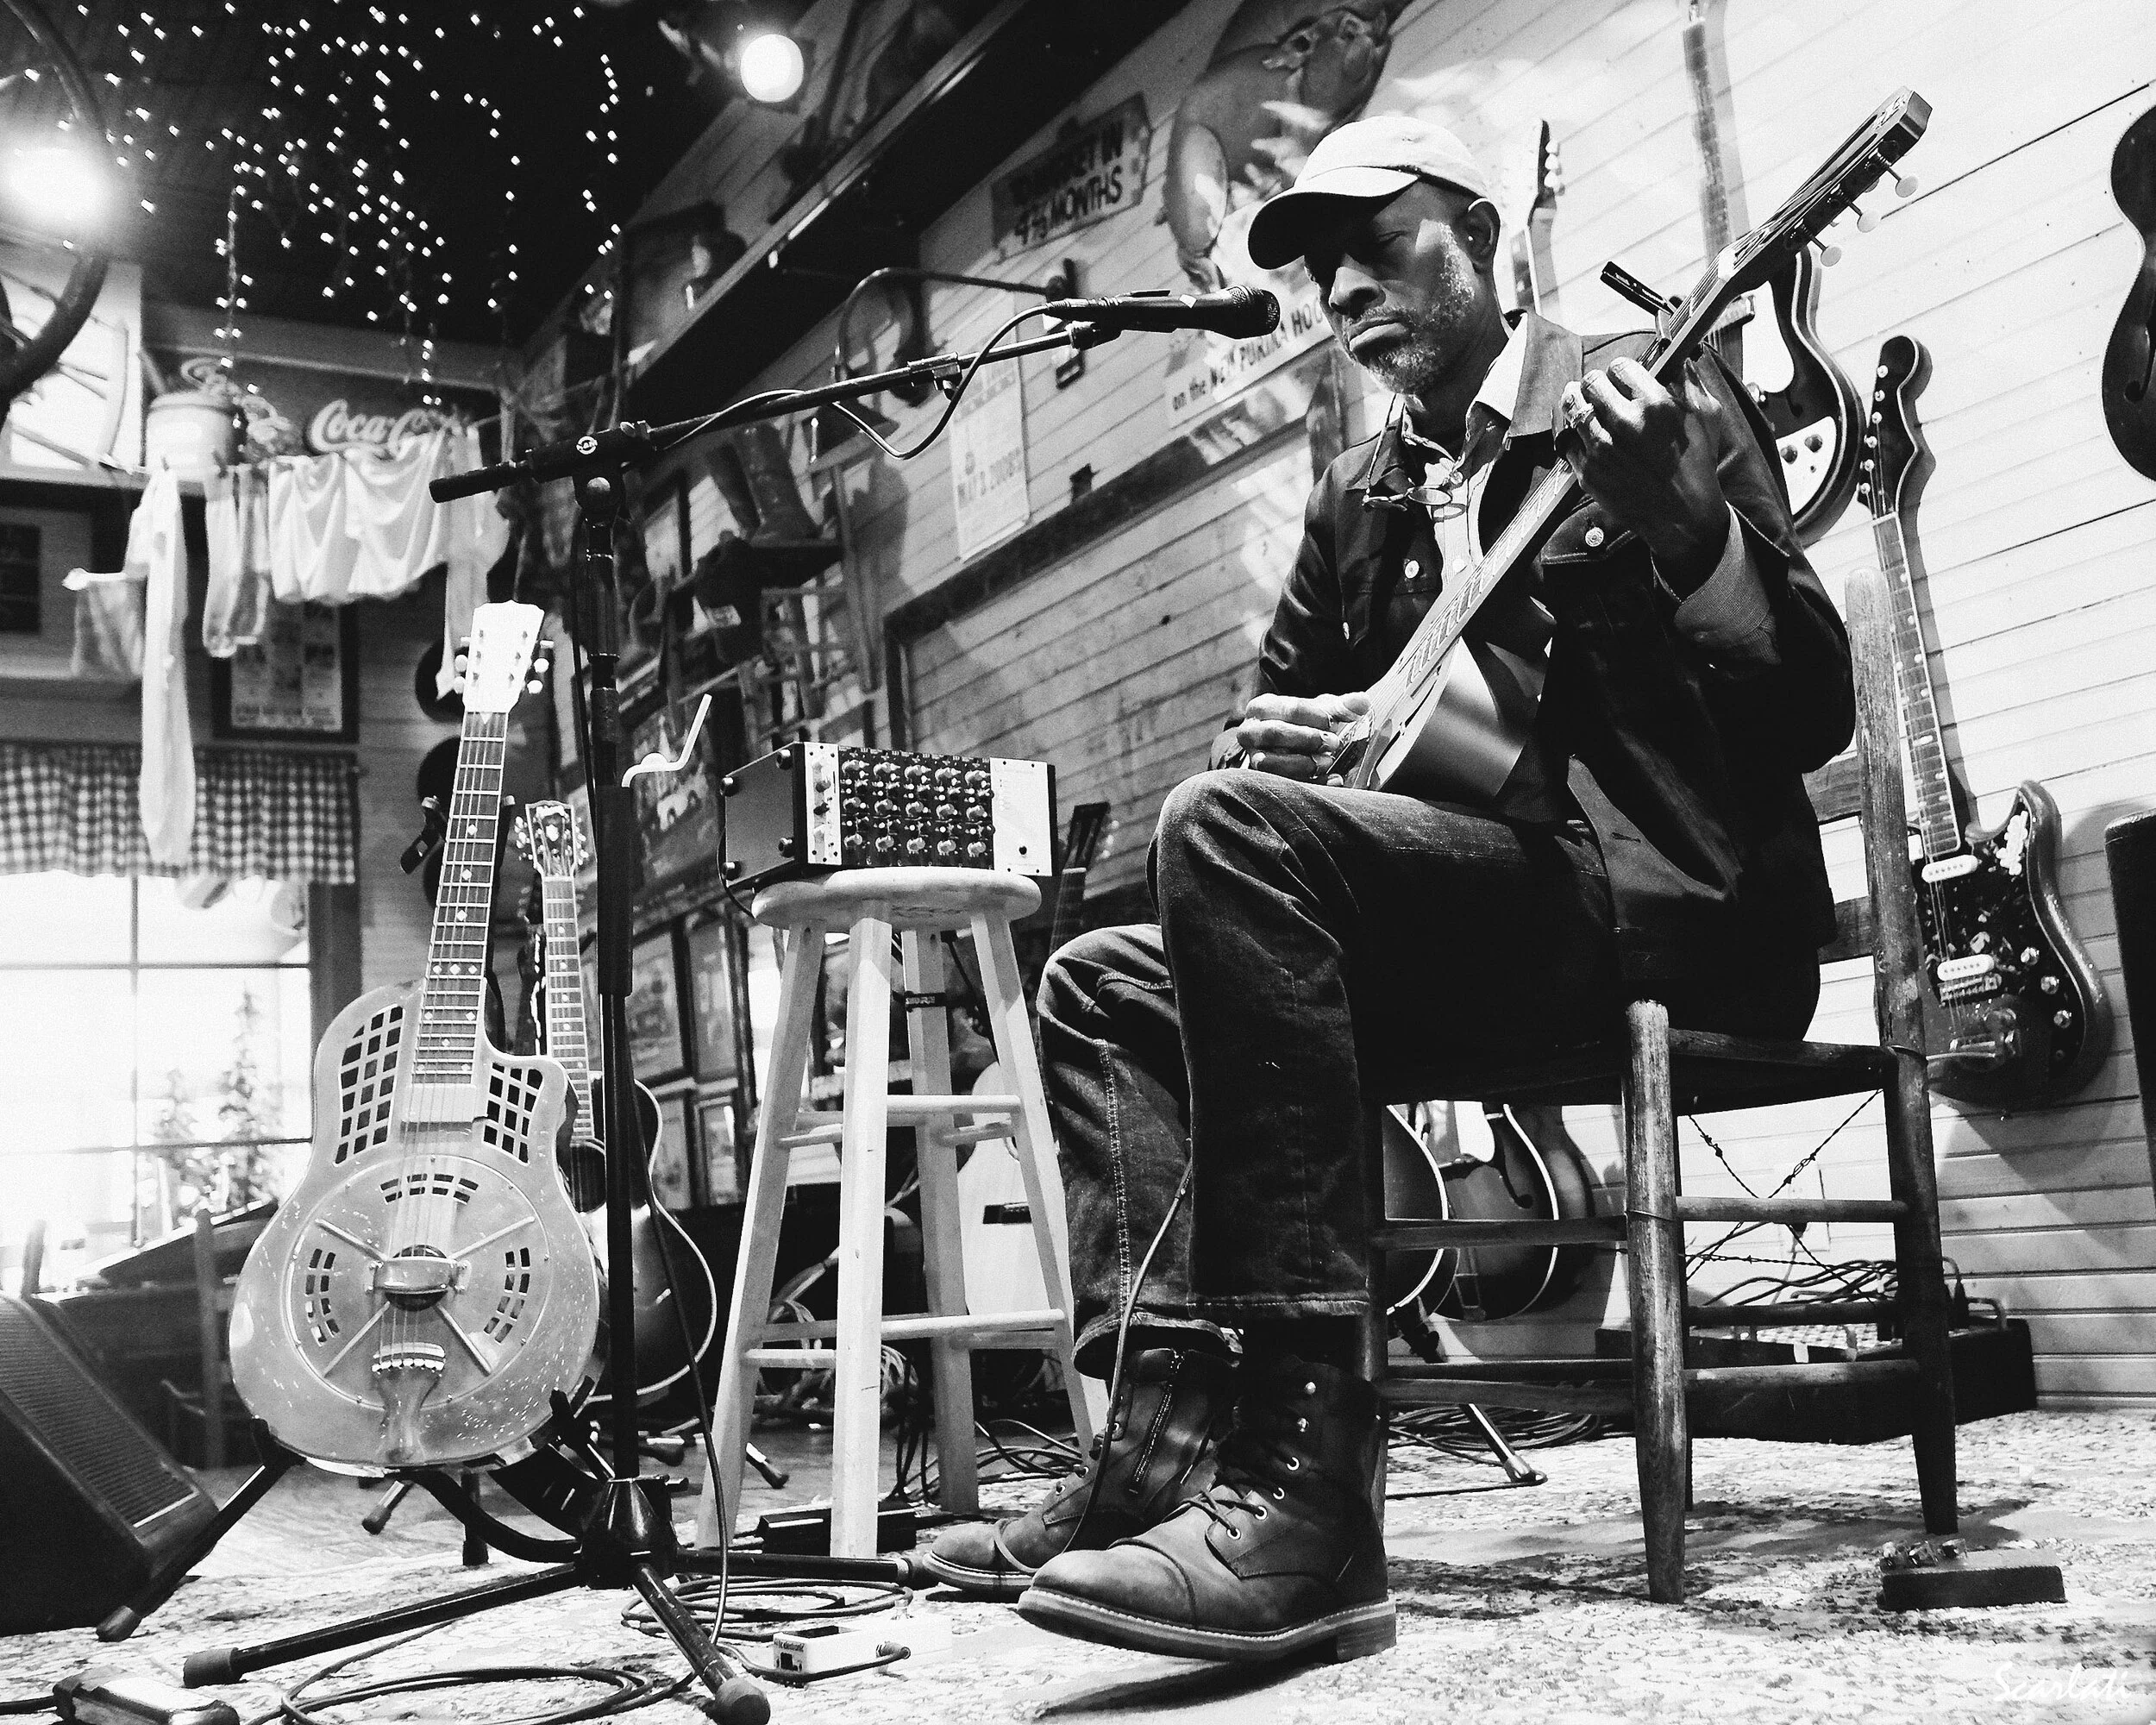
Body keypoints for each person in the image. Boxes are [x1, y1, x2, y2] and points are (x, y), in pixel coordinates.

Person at [923, 115, 1853, 1664]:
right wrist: (1301, 738)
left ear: (1481, 237)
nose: (1345, 289)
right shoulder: (1357, 492)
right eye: (1321, 271)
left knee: (1230, 835)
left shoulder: (1643, 392)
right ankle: (1156, 1449)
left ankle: (1311, 1490)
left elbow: (1812, 701)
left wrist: (1692, 528)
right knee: (1100, 983)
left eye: (1378, 246)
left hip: (1672, 909)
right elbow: (1264, 742)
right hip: (1484, 925)